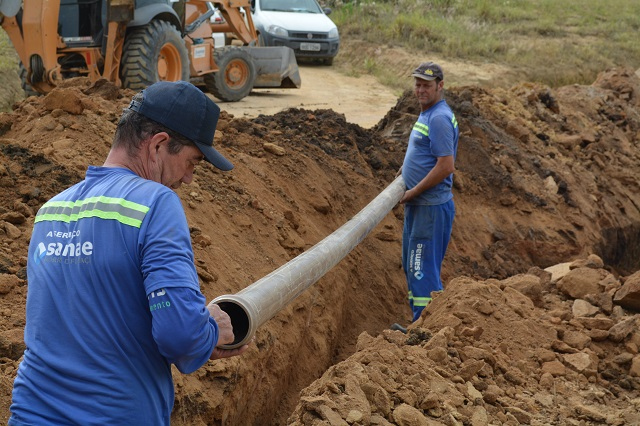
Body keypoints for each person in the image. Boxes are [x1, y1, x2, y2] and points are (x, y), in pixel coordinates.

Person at [9, 81, 249, 425]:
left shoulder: (52, 210)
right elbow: (180, 334)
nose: (189, 179)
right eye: (192, 162)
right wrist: (209, 330)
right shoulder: (155, 203)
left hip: (31, 413)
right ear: (159, 145)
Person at [396, 62, 459, 325]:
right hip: (420, 205)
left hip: (429, 208)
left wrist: (413, 191)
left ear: (440, 86)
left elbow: (446, 165)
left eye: (427, 86)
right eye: (418, 85)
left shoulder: (439, 118)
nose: (421, 90)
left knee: (422, 270)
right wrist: (404, 172)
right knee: (413, 265)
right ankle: (419, 325)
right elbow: (422, 155)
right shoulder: (428, 113)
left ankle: (426, 332)